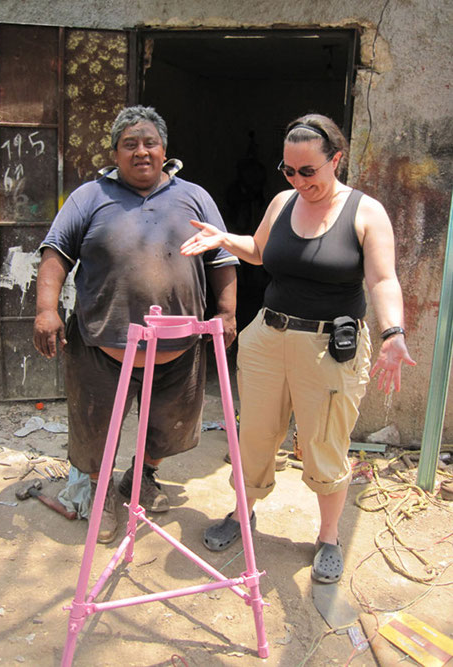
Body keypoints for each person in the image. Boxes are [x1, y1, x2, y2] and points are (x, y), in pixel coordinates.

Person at [181, 113, 416, 583]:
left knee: (323, 444)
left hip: (329, 347)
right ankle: (242, 513)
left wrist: (393, 333)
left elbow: (383, 279)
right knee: (255, 435)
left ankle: (328, 536)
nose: (297, 180)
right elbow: (261, 250)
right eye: (288, 170)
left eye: (308, 171)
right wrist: (226, 238)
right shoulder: (283, 202)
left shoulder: (365, 212)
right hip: (268, 337)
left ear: (336, 160)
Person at [33, 105, 238, 543]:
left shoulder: (195, 196)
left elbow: (223, 257)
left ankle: (142, 477)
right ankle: (101, 489)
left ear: (165, 150)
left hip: (179, 350)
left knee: (169, 428)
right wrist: (46, 310)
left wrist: (227, 312)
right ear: (115, 152)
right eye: (130, 144)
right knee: (94, 431)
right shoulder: (89, 197)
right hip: (103, 347)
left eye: (150, 143)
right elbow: (55, 254)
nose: (141, 151)